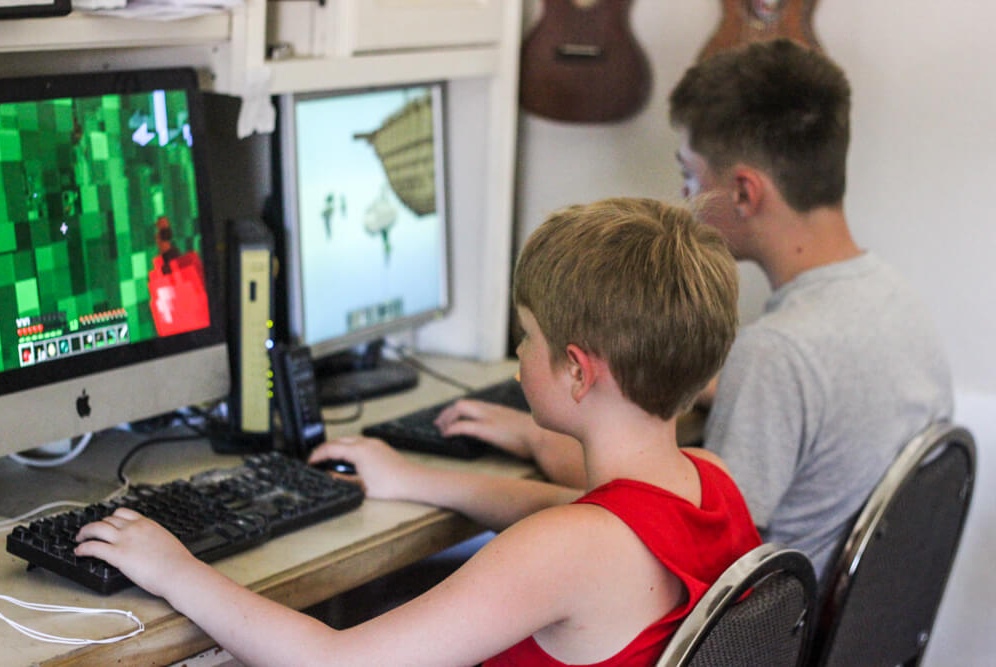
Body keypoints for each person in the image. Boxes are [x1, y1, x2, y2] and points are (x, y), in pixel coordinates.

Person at [76, 198, 761, 666]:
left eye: (527, 336)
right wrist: (418, 478)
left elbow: (332, 660)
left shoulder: (569, 550)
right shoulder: (708, 478)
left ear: (579, 372)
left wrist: (177, 570)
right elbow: (568, 513)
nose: (519, 355)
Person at [434, 39, 954, 582]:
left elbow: (677, 533)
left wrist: (535, 436)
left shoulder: (777, 353)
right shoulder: (892, 299)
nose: (682, 196)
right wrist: (711, 381)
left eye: (690, 177)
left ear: (745, 192)